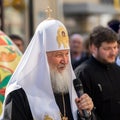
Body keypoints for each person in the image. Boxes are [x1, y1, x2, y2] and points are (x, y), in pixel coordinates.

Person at [1, 18, 96, 120]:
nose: (65, 61)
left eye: (66, 54)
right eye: (58, 55)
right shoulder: (19, 93)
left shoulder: (71, 86)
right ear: (42, 58)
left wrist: (86, 114)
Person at [75, 26, 120, 120]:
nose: (113, 53)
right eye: (107, 49)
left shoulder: (117, 70)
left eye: (115, 47)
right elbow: (83, 113)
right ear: (93, 48)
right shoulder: (83, 74)